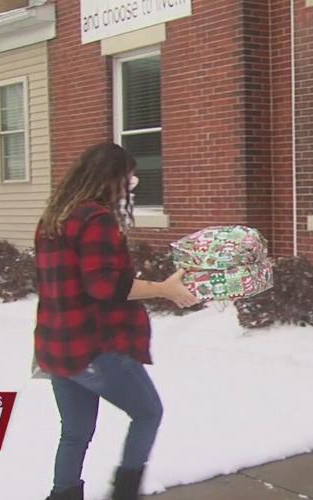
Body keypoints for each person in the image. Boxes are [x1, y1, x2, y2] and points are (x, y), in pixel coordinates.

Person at [34, 143, 199, 500]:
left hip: (56, 347)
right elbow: (105, 285)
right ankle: (125, 494)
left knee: (75, 433)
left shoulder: (54, 219)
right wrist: (164, 289)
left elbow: (52, 283)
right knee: (148, 413)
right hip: (94, 347)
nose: (131, 185)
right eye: (128, 178)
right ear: (111, 179)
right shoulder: (96, 220)